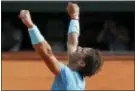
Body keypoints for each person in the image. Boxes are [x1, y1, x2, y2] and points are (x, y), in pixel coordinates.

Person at [19, 2, 103, 90]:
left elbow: (47, 54)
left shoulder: (67, 76)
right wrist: (75, 17)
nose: (79, 47)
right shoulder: (77, 76)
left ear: (81, 63)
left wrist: (30, 26)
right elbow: (72, 43)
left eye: (82, 50)